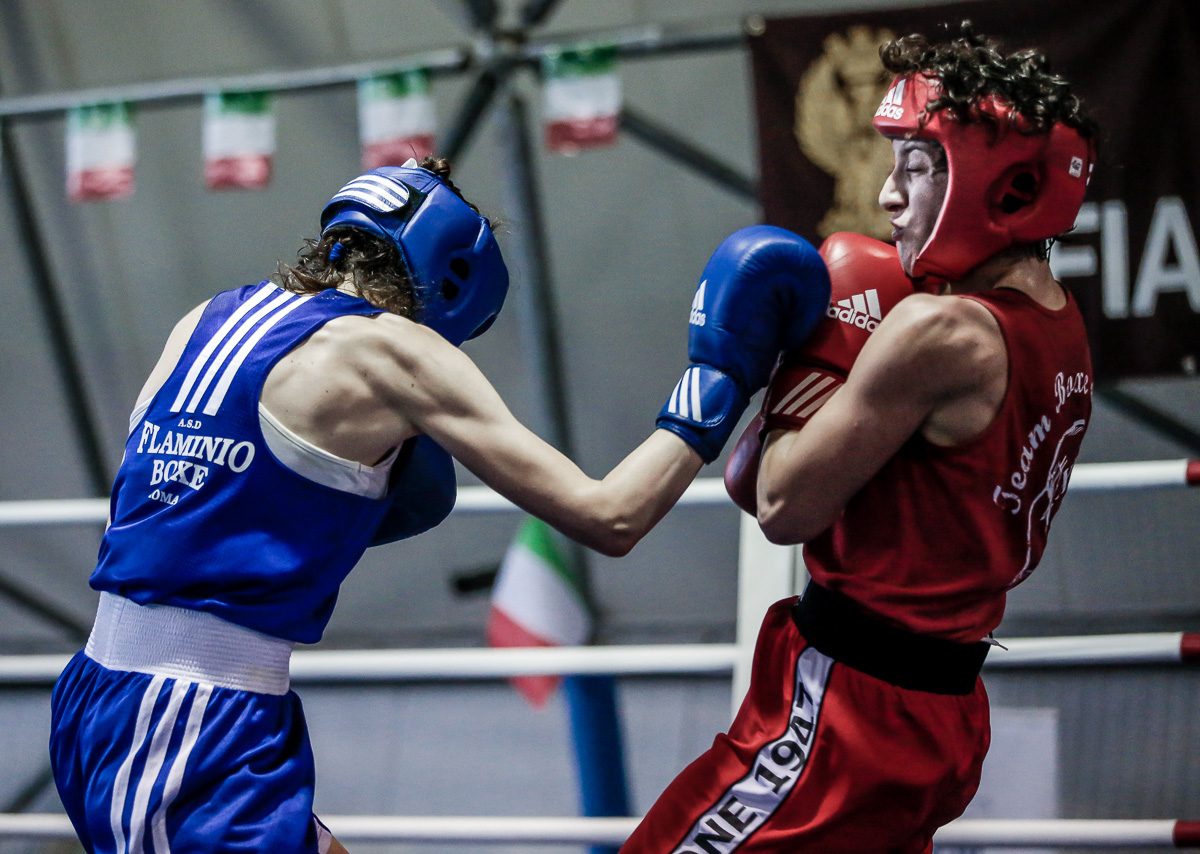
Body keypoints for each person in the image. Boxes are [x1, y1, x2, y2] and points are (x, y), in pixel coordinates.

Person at [48, 155, 831, 854]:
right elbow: (610, 516)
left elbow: (159, 508)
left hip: (114, 697)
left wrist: (341, 498)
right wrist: (723, 374)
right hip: (190, 726)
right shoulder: (394, 348)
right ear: (455, 279)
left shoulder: (209, 318)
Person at [621, 25, 1097, 854]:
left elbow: (774, 502)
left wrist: (790, 365)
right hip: (942, 706)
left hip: (848, 709)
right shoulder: (1061, 326)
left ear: (996, 182)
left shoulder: (940, 330)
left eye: (917, 167)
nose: (888, 196)